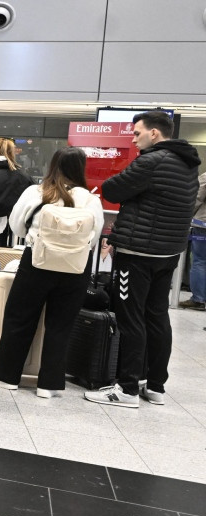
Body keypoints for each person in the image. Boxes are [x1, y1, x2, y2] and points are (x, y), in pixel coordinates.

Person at [85, 111, 200, 409]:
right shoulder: (187, 164)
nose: (134, 139)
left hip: (137, 254)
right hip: (168, 252)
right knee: (157, 317)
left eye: (137, 133)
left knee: (130, 317)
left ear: (155, 134)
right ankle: (156, 384)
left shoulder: (151, 160)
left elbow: (111, 189)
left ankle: (126, 389)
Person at [0, 147, 104, 397]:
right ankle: (49, 384)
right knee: (61, 324)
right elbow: (95, 236)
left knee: (20, 318)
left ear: (53, 165)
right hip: (76, 267)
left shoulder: (36, 192)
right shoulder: (91, 199)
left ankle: (6, 376)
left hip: (37, 262)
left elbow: (17, 226)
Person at [183, 171, 206, 310]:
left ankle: (198, 299)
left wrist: (187, 215)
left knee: (200, 261)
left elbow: (197, 198)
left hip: (203, 223)